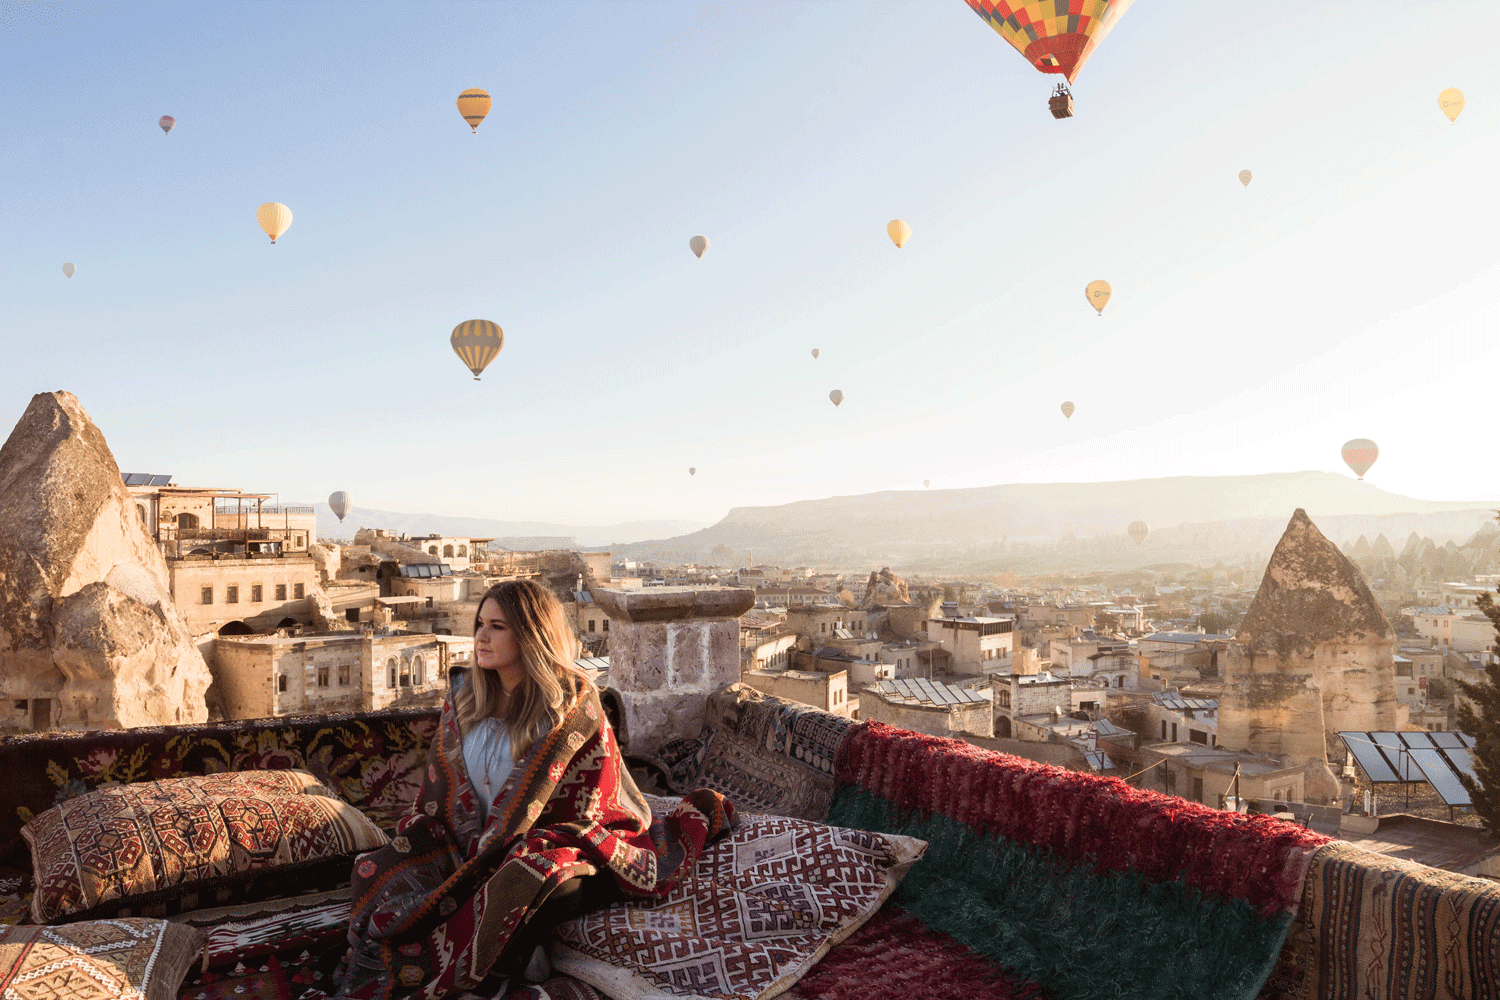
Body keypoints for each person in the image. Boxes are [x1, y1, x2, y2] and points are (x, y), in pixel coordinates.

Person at [336, 580, 734, 1000]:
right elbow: (441, 798)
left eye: (497, 627)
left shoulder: (571, 706)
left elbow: (591, 804)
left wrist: (507, 849)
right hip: (471, 847)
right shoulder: (463, 701)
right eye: (479, 624)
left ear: (530, 634)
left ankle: (491, 962)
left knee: (535, 875)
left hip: (559, 846)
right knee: (376, 867)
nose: (481, 637)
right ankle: (498, 946)